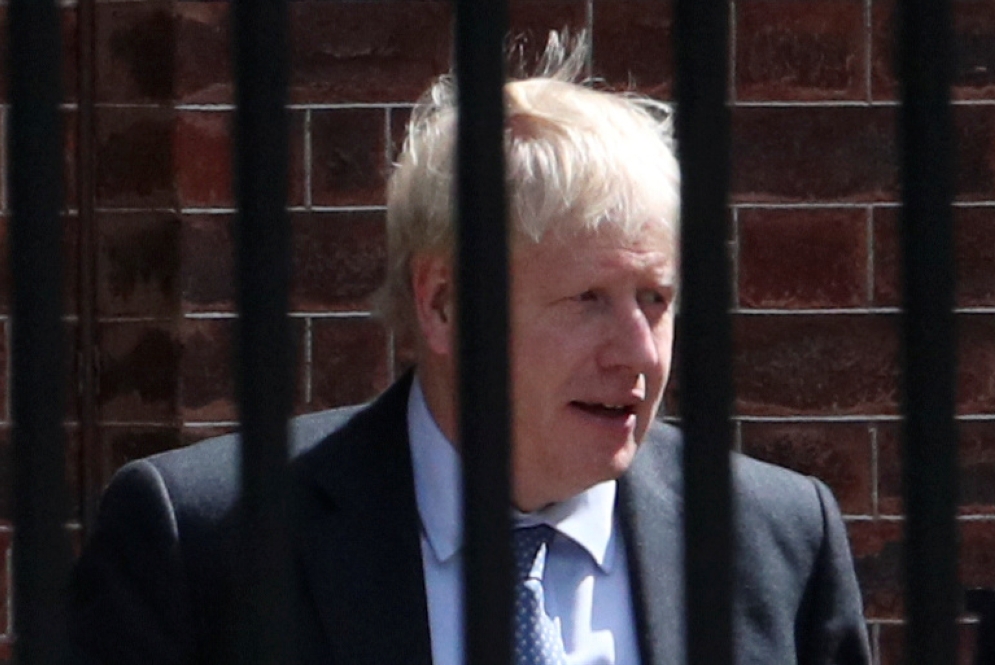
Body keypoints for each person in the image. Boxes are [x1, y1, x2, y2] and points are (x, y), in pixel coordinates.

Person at [69, 33, 870, 665]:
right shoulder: (208, 539)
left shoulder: (773, 537)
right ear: (444, 303)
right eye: (589, 300)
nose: (638, 352)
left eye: (653, 300)